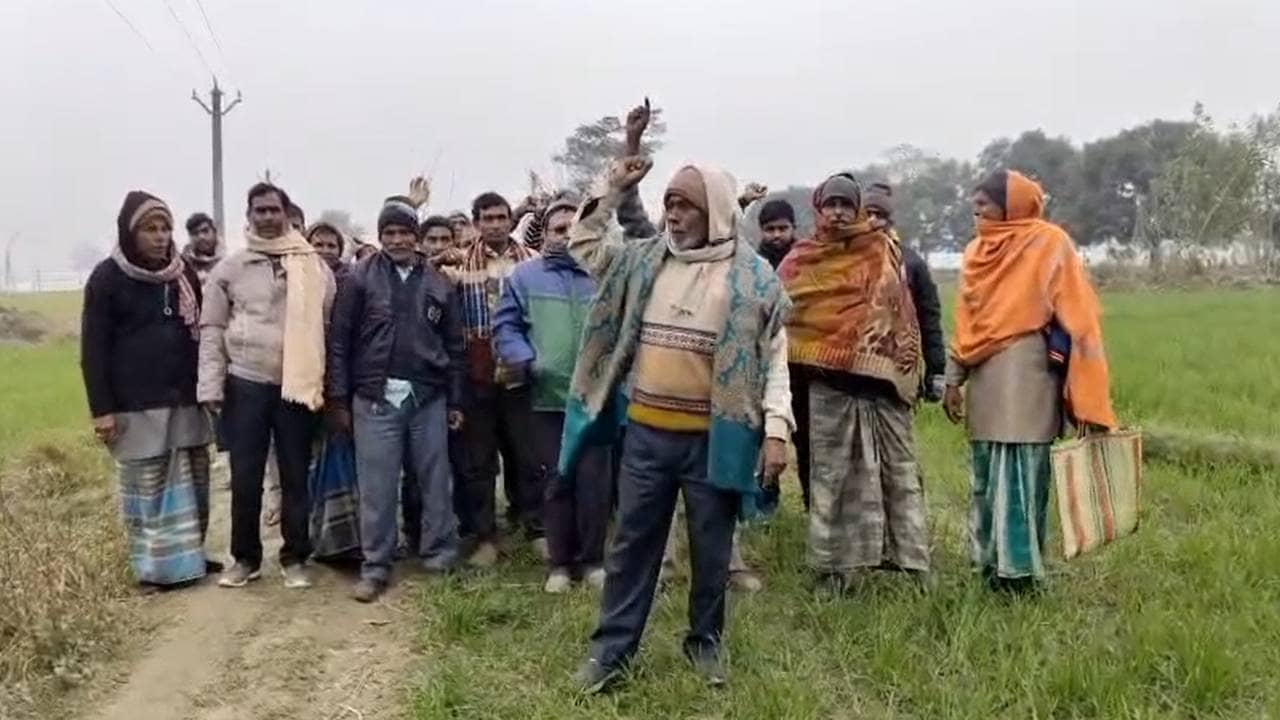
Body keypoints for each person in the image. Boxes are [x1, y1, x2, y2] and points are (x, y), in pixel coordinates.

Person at [564, 124, 793, 690]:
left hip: (714, 438)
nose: (674, 216)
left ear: (715, 211)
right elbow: (585, 242)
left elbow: (775, 359)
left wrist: (777, 429)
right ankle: (611, 653)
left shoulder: (753, 278)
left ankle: (706, 644)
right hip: (646, 435)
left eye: (685, 206)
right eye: (669, 204)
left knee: (711, 551)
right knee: (632, 547)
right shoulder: (643, 261)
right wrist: (614, 189)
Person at [944, 169, 1116, 592]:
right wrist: (953, 379)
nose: (975, 209)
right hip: (985, 376)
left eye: (984, 201)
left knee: (1025, 470)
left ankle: (1021, 573)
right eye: (975, 201)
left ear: (1011, 204)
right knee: (987, 472)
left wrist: (1086, 393)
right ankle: (988, 567)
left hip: (1031, 373)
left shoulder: (1049, 242)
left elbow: (1077, 317)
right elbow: (967, 323)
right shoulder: (975, 251)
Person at [778, 172, 928, 595]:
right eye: (832, 204)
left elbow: (901, 312)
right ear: (819, 208)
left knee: (898, 477)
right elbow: (783, 316)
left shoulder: (883, 251)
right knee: (833, 482)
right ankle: (833, 572)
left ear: (858, 208)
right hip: (828, 388)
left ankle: (910, 566)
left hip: (883, 390)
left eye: (847, 204)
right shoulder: (800, 259)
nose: (840, 212)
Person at [327, 197, 466, 602]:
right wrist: (339, 398)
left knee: (436, 481)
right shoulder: (358, 279)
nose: (398, 239)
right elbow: (339, 341)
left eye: (405, 232)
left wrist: (456, 401)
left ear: (417, 236)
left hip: (428, 396)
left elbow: (455, 346)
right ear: (380, 235)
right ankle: (375, 567)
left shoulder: (439, 282)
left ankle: (439, 554)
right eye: (390, 232)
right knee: (378, 486)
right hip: (374, 398)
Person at [198, 182, 335, 590]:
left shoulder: (314, 267)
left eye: (274, 209)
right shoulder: (232, 268)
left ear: (286, 212)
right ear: (250, 215)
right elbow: (212, 328)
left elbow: (325, 325)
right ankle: (245, 559)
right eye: (260, 210)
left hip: (297, 385)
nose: (268, 217)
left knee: (295, 474)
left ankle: (295, 557)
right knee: (245, 475)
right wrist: (210, 385)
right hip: (246, 383)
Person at [81, 191, 219, 592]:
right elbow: (93, 348)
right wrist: (101, 410)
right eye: (149, 229)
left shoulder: (182, 274)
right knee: (149, 488)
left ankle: (190, 556)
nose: (160, 237)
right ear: (129, 233)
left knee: (193, 481)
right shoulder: (107, 278)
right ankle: (154, 571)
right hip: (134, 404)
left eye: (165, 229)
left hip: (184, 398)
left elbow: (200, 335)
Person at [493, 195, 613, 594]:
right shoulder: (524, 277)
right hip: (545, 399)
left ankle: (593, 559)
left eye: (573, 229)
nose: (566, 236)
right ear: (544, 234)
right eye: (558, 229)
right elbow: (506, 327)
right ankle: (560, 564)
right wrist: (525, 358)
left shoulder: (603, 274)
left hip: (594, 399)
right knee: (557, 480)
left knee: (594, 480)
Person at [446, 191, 539, 567]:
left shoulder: (531, 262)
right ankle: (486, 536)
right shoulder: (459, 265)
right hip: (478, 376)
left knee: (528, 456)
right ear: (477, 222)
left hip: (522, 374)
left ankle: (536, 529)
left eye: (502, 217)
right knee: (479, 461)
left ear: (510, 220)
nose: (496, 223)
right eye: (488, 218)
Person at [864, 182, 946, 401]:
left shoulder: (911, 262)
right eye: (867, 214)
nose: (872, 221)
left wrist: (936, 370)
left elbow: (929, 318)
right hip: (856, 370)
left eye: (879, 215)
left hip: (899, 367)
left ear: (889, 219)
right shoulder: (845, 260)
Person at [182, 212, 223, 283]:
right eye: (195, 233)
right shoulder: (182, 266)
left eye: (205, 231)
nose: (201, 237)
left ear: (214, 232)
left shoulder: (228, 262)